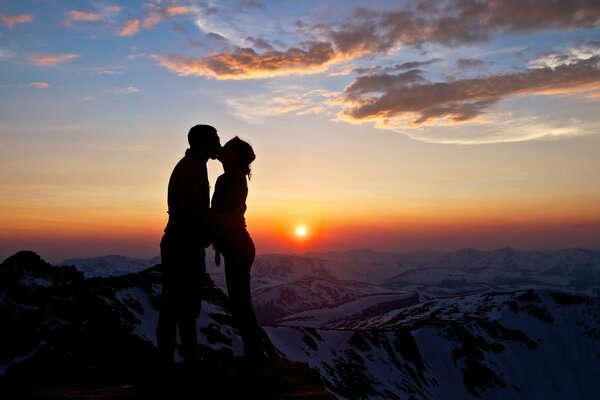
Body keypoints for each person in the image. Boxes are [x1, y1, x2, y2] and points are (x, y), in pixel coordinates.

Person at [157, 124, 221, 364]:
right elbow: (191, 211)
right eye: (215, 140)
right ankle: (175, 362)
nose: (218, 145)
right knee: (176, 306)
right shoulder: (190, 169)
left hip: (184, 243)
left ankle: (182, 359)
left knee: (181, 306)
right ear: (202, 142)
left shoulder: (196, 166)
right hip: (182, 245)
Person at [211, 137, 265, 371]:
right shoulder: (236, 177)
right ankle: (253, 355)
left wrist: (200, 215)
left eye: (227, 147)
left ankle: (254, 358)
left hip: (236, 246)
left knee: (241, 305)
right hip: (239, 246)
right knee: (241, 304)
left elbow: (228, 215)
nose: (222, 149)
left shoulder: (229, 178)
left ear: (234, 155)